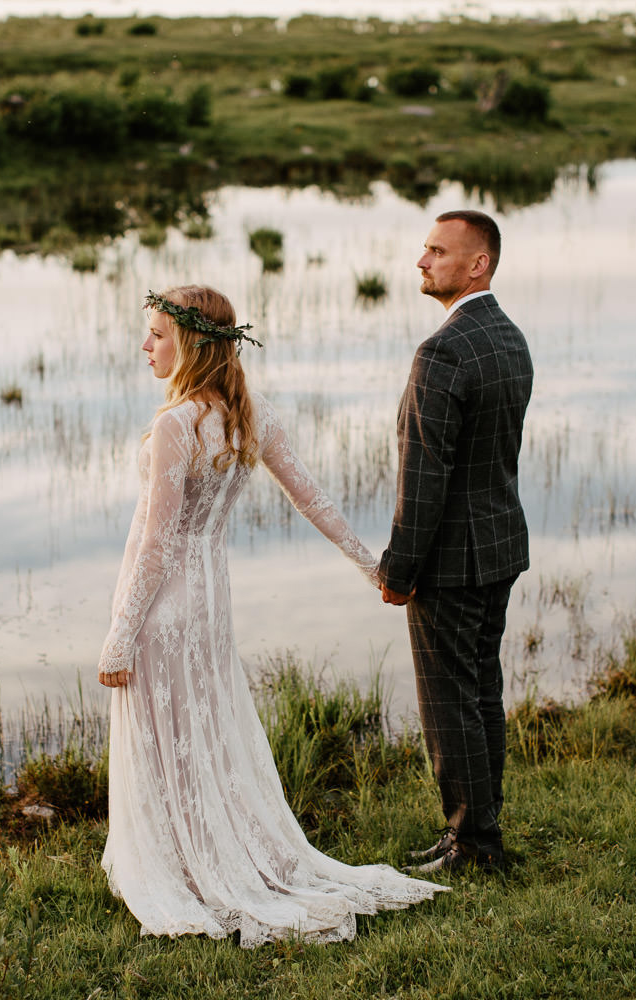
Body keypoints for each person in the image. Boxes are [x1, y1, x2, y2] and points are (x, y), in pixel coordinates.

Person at [97, 285, 445, 946]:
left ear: (193, 343)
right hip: (210, 601)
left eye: (157, 335)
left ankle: (189, 869)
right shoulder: (248, 416)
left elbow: (156, 543)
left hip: (168, 604)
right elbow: (313, 499)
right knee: (204, 731)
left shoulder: (177, 425)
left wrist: (121, 631)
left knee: (171, 734)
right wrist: (369, 564)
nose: (146, 347)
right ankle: (205, 858)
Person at [379, 210, 534, 875]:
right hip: (498, 547)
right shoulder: (508, 337)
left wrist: (398, 567)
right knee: (481, 695)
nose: (422, 261)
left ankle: (474, 844)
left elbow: (425, 474)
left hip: (449, 560)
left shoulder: (442, 352)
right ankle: (478, 832)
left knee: (450, 707)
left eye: (438, 252)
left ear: (479, 264)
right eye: (424, 250)